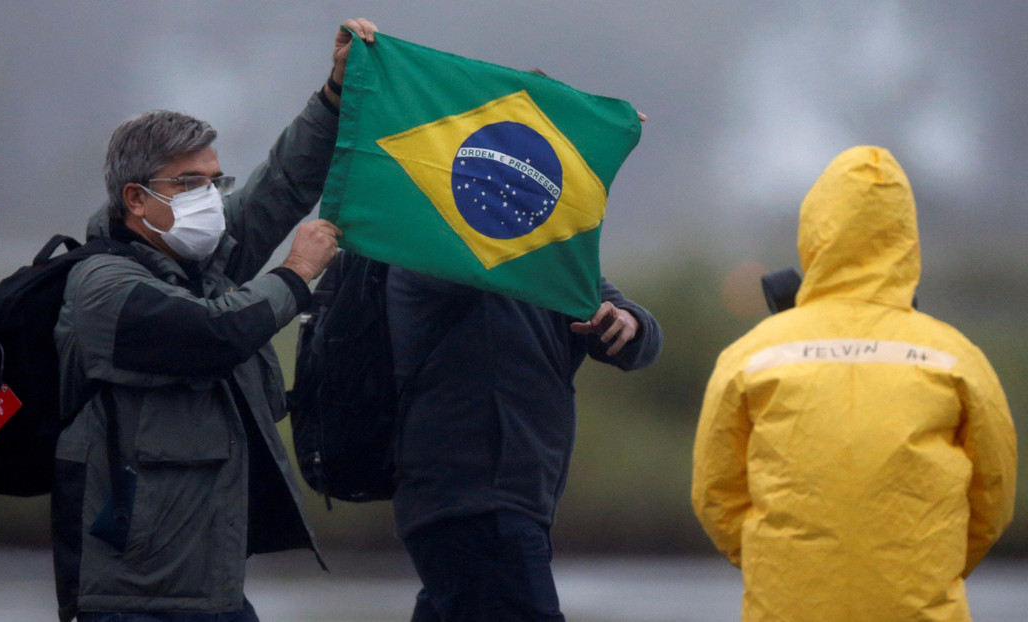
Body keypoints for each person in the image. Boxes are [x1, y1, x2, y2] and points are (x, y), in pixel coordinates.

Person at [49, 18, 379, 622]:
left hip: (210, 588)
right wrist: (296, 276)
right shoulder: (102, 285)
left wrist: (335, 94)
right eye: (190, 182)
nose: (209, 196)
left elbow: (283, 183)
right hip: (130, 595)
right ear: (135, 198)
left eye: (215, 179)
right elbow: (210, 335)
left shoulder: (205, 257)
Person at [692, 145, 1017, 622]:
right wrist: (925, 571)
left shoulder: (751, 355)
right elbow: (994, 498)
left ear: (815, 231)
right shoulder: (957, 357)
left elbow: (715, 494)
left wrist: (781, 561)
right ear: (906, 237)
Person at [387, 264, 662, 620]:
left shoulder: (544, 258)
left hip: (506, 503)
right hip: (478, 501)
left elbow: (642, 346)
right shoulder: (436, 248)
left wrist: (630, 322)